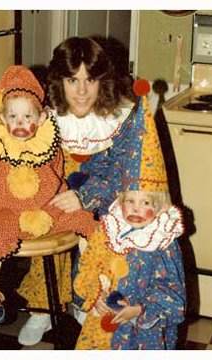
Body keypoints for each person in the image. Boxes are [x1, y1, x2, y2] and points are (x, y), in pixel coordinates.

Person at [16, 36, 152, 346]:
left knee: (98, 238)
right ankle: (43, 306)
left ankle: (85, 302)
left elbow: (122, 171)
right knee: (45, 220)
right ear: (58, 80)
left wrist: (86, 196)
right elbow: (2, 132)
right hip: (58, 184)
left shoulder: (121, 116)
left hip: (104, 193)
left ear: (102, 80)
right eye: (71, 79)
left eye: (89, 80)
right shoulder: (46, 113)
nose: (80, 90)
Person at [0, 65, 96, 326]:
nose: (20, 123)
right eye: (13, 116)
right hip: (5, 211)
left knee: (84, 220)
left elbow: (68, 168)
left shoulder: (50, 140)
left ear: (42, 117)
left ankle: (89, 281)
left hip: (48, 211)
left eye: (27, 116)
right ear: (2, 118)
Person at [73, 95, 186, 349]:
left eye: (145, 203)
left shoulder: (161, 242)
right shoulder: (109, 229)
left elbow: (173, 294)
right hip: (103, 323)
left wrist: (139, 310)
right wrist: (95, 296)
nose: (136, 209)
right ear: (120, 200)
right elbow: (89, 266)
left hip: (142, 333)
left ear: (158, 205)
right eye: (130, 202)